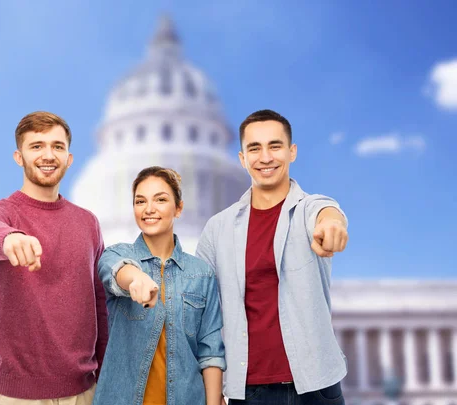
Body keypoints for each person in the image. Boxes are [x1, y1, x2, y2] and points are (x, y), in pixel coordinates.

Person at [196, 109, 349, 405]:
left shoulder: (310, 209)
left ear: (291, 152)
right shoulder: (218, 229)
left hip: (317, 387)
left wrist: (333, 225)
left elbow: (328, 212)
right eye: (254, 148)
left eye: (275, 146)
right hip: (249, 391)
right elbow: (201, 314)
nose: (265, 158)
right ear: (242, 158)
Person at [0, 111, 108, 405]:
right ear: (18, 157)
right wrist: (9, 239)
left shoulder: (88, 223)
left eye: (57, 146)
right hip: (16, 396)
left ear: (69, 158)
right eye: (36, 146)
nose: (48, 155)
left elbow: (100, 305)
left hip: (84, 393)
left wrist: (108, 379)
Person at [92, 166, 226, 405]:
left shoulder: (202, 274)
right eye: (140, 201)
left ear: (179, 208)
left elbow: (211, 351)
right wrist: (136, 278)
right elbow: (115, 271)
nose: (149, 209)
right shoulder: (116, 254)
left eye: (161, 200)